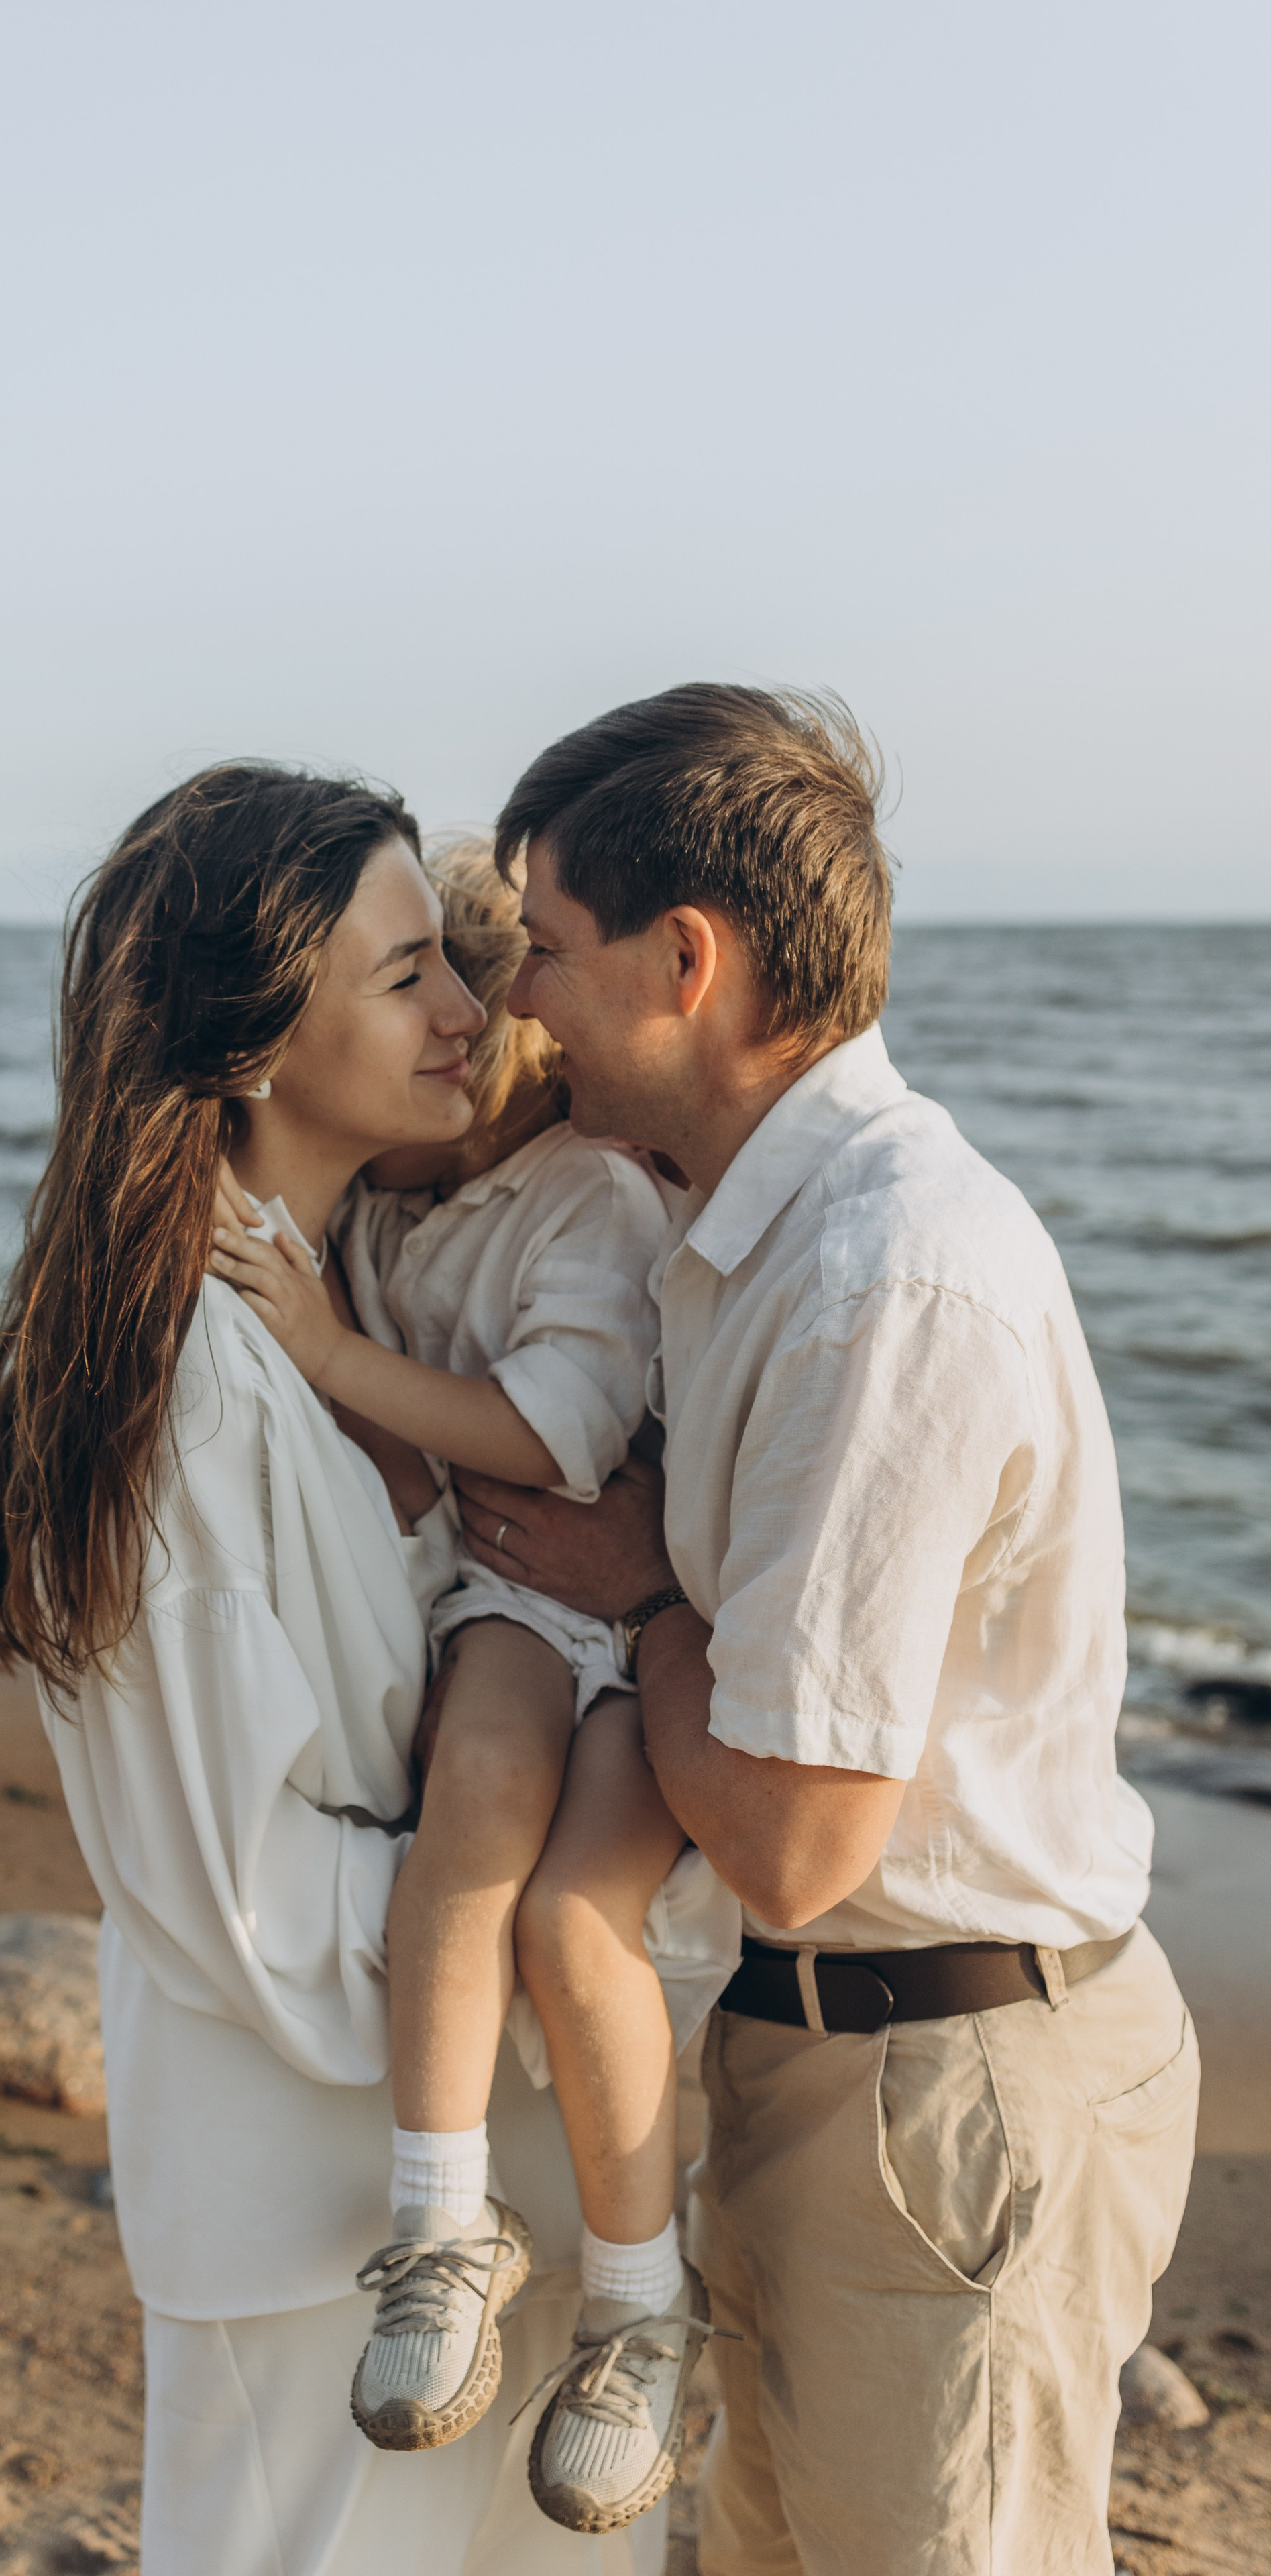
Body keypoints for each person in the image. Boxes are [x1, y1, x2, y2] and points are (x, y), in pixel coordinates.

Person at [452, 684, 1199, 2576]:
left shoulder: (883, 1282)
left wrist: (640, 1590)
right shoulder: (734, 1224)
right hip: (830, 2058)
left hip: (946, 2086)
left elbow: (793, 1843)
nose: (518, 998)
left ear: (683, 961)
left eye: (545, 946)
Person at [0, 765, 672, 2576]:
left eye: (460, 964)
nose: (475, 1011)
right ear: (258, 1037)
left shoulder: (353, 1285)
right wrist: (572, 1951)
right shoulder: (191, 1378)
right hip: (316, 2210)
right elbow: (236, 1886)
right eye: (407, 974)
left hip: (463, 2188)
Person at [211, 839, 739, 2538]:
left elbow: (554, 1438)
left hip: (622, 1603)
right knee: (472, 1830)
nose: (447, 1035)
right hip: (503, 1598)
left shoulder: (588, 1195)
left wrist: (325, 1351)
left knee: (577, 1922)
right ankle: (442, 2225)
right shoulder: (392, 1199)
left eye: (471, 1007)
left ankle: (638, 2309)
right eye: (415, 999)